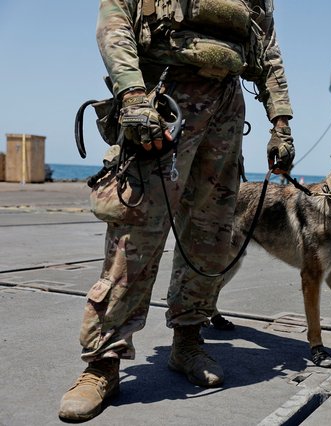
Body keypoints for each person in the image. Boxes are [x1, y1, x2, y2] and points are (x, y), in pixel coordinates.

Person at [58, 0, 294, 421]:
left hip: (226, 106)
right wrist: (132, 93)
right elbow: (115, 23)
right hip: (163, 100)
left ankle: (188, 340)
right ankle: (102, 364)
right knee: (136, 232)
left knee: (210, 232)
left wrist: (281, 122)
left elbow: (267, 48)